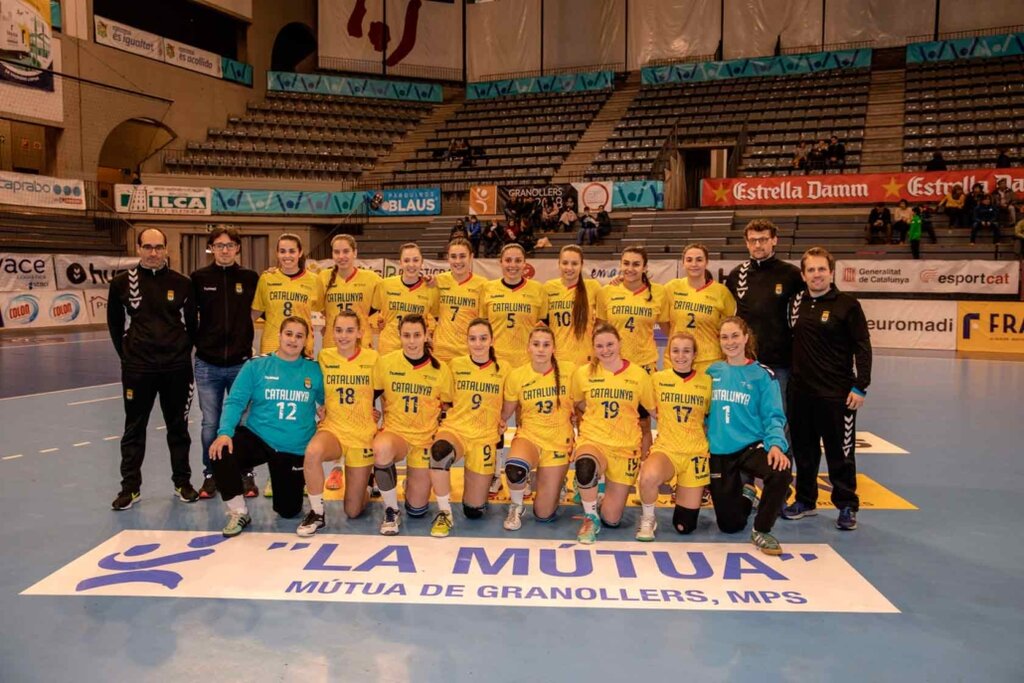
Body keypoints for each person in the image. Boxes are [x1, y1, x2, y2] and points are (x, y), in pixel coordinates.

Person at [107, 227, 198, 510]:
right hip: (138, 370)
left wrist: (180, 352)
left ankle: (182, 482)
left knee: (178, 428)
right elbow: (114, 325)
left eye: (158, 247)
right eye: (147, 247)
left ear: (166, 249)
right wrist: (129, 357)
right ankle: (130, 488)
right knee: (134, 429)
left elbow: (192, 326)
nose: (153, 252)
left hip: (176, 369)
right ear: (138, 248)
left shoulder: (182, 283)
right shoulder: (122, 283)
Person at [208, 317, 325, 536]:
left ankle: (287, 483)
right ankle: (238, 511)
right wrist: (224, 433)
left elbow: (330, 402)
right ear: (279, 335)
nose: (293, 340)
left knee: (288, 511)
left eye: (299, 336)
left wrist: (326, 410)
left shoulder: (314, 370)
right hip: (259, 437)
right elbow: (235, 401)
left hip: (294, 446)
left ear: (306, 341)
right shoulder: (256, 365)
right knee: (221, 450)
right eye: (288, 334)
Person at [782, 247, 871, 532]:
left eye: (821, 269)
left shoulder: (848, 305)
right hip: (801, 394)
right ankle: (805, 501)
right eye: (811, 270)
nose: (816, 274)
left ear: (831, 272)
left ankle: (846, 504)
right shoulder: (796, 302)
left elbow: (862, 347)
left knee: (840, 453)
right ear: (803, 275)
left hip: (837, 394)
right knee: (804, 452)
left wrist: (861, 386)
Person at [707, 317, 792, 555]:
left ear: (746, 337)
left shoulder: (762, 375)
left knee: (780, 471)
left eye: (735, 336)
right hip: (720, 450)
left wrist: (776, 445)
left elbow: (774, 415)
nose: (730, 342)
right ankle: (747, 494)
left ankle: (762, 529)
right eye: (725, 337)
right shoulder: (711, 372)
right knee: (730, 526)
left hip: (751, 447)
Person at [188, 227, 260, 500]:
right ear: (211, 249)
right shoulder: (199, 278)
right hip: (208, 364)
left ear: (238, 248)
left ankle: (245, 473)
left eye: (230, 245)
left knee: (243, 422)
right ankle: (211, 474)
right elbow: (190, 316)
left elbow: (256, 311)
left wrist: (241, 334)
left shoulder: (250, 278)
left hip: (242, 365)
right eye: (219, 245)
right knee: (211, 423)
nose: (225, 250)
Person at [570, 324, 656, 544]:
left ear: (619, 343)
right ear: (593, 348)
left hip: (625, 447)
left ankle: (597, 497)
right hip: (594, 439)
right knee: (585, 465)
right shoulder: (583, 373)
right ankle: (590, 517)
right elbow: (578, 403)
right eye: (599, 346)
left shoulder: (639, 375)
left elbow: (654, 411)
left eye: (610, 344)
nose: (605, 350)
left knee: (612, 518)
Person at [296, 310, 379, 536]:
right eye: (339, 330)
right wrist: (320, 406)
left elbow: (385, 390)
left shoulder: (373, 358)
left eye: (350, 330)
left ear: (360, 333)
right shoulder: (324, 357)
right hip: (333, 428)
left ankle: (368, 483)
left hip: (362, 434)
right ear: (332, 332)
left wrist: (380, 416)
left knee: (353, 511)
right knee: (312, 452)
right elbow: (313, 386)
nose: (343, 336)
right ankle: (317, 513)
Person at [371, 314, 452, 535]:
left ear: (426, 335)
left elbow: (449, 407)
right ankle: (391, 509)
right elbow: (371, 396)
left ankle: (412, 484)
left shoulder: (440, 369)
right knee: (381, 448)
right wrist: (371, 412)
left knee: (417, 510)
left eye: (417, 335)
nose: (412, 341)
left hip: (425, 439)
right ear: (399, 336)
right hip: (396, 434)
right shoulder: (386, 363)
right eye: (406, 335)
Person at [428, 319, 508, 537]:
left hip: (484, 437)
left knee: (474, 511)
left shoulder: (504, 369)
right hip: (457, 430)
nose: (478, 343)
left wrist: (502, 419)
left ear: (492, 340)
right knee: (439, 452)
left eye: (483, 338)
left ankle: (475, 491)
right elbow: (444, 399)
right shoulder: (455, 365)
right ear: (467, 341)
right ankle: (444, 512)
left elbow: (512, 400)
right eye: (473, 339)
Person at [318, 234, 383, 492]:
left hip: (362, 353)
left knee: (365, 413)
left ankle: (368, 470)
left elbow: (389, 300)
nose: (341, 256)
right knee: (335, 411)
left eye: (346, 251)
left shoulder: (371, 279)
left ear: (355, 253)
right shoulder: (323, 278)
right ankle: (337, 466)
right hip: (333, 353)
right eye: (337, 252)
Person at [636, 333, 712, 541]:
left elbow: (709, 418)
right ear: (669, 354)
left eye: (686, 351)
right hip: (667, 450)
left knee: (684, 526)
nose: (681, 356)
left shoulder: (707, 382)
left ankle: (684, 490)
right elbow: (647, 407)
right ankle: (648, 518)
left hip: (695, 453)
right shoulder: (658, 379)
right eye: (676, 351)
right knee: (648, 477)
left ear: (694, 354)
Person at [500, 326, 576, 531]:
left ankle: (558, 481)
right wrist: (498, 422)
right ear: (528, 348)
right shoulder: (517, 375)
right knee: (515, 468)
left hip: (558, 443)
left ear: (553, 348)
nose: (541, 349)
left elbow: (583, 404)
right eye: (536, 344)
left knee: (544, 514)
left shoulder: (570, 372)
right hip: (530, 437)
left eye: (546, 345)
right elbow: (505, 412)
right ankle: (516, 507)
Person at [725, 219, 804, 404]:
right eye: (753, 240)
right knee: (745, 413)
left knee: (777, 414)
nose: (758, 245)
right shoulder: (736, 275)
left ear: (774, 240)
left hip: (780, 363)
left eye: (763, 239)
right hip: (745, 361)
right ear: (747, 243)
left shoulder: (792, 275)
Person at [664, 243, 737, 375]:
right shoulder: (671, 288)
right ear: (683, 263)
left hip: (710, 361)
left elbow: (731, 326)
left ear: (706, 262)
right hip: (677, 359)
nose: (694, 264)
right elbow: (662, 319)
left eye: (699, 260)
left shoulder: (721, 292)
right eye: (689, 260)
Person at [252, 233, 322, 358]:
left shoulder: (314, 280)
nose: (287, 256)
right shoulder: (267, 278)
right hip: (271, 345)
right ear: (277, 253)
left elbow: (326, 310)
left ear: (300, 253)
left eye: (292, 251)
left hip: (301, 345)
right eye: (282, 251)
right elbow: (255, 312)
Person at [481, 243, 548, 368]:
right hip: (495, 359)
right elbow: (483, 328)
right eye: (508, 260)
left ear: (524, 263)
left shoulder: (538, 289)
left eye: (518, 260)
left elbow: (544, 327)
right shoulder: (488, 288)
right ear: (500, 263)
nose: (512, 265)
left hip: (527, 360)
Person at [371, 243, 438, 355]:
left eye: (415, 260)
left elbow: (439, 318)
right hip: (389, 349)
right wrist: (380, 321)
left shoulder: (431, 289)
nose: (411, 265)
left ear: (422, 262)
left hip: (415, 348)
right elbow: (371, 310)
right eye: (406, 260)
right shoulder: (385, 285)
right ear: (400, 263)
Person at [433, 238, 487, 363]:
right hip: (441, 351)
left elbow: (484, 321)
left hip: (468, 352)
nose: (458, 261)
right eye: (453, 256)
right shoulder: (438, 281)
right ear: (448, 258)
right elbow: (429, 311)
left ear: (471, 257)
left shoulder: (482, 284)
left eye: (462, 256)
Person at [544, 245, 600, 366]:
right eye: (565, 263)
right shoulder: (548, 287)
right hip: (556, 359)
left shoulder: (593, 287)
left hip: (586, 359)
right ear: (559, 264)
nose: (569, 268)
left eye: (574, 263)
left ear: (582, 265)